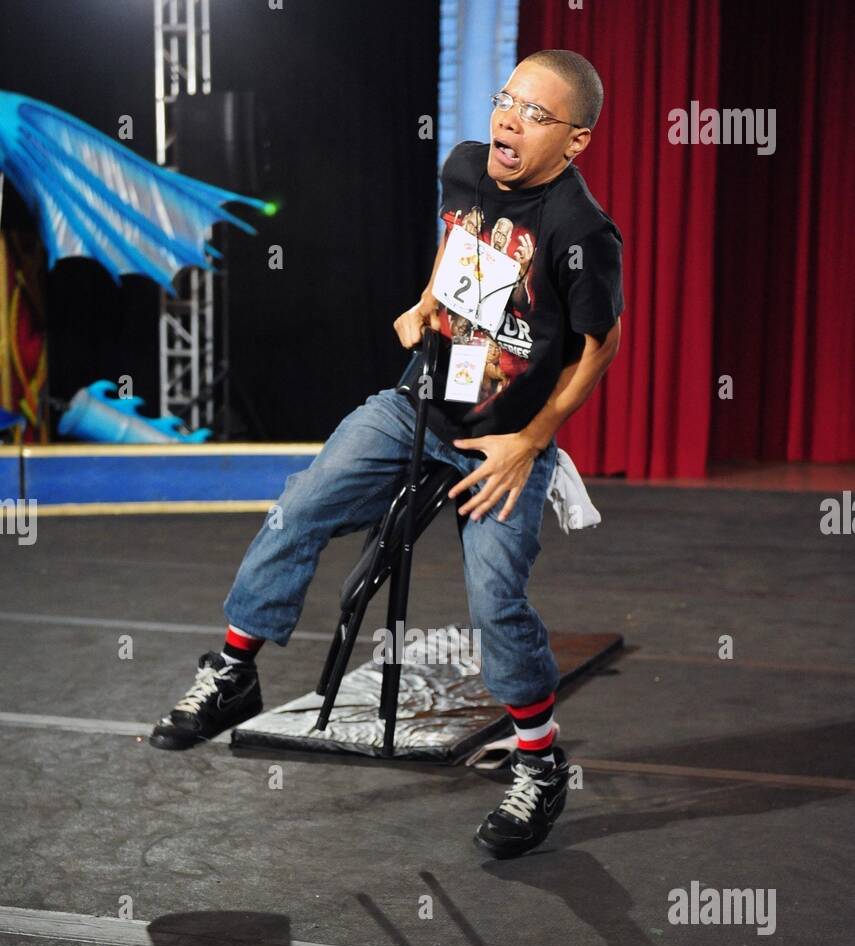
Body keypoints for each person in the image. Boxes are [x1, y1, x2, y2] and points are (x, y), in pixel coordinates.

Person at [150, 48, 624, 859]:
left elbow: (600, 344)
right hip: (419, 403)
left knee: (494, 596)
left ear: (575, 141)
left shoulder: (581, 230)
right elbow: (461, 237)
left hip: (501, 440)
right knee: (301, 503)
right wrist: (427, 300)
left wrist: (531, 440)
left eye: (535, 114)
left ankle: (540, 766)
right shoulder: (466, 167)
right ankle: (235, 672)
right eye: (506, 100)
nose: (508, 119)